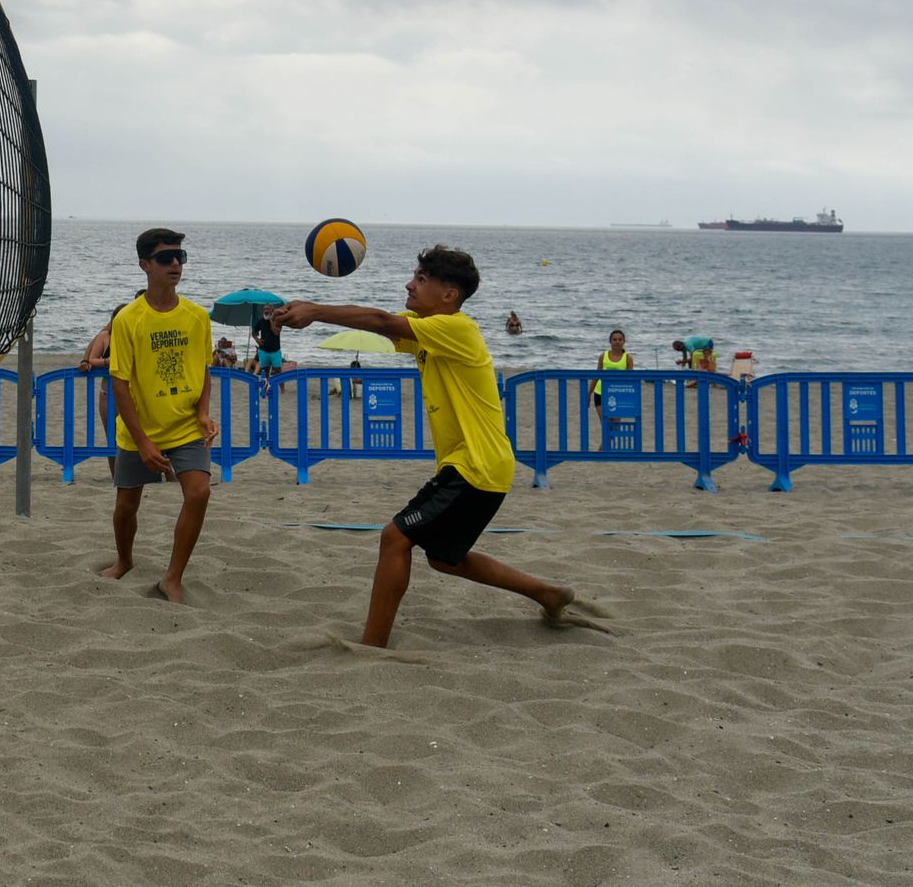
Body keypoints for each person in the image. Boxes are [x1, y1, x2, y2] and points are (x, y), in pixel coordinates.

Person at [274, 244, 597, 647]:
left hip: (475, 466)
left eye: (421, 280)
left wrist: (316, 309)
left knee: (394, 538)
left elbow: (379, 319)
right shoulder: (428, 330)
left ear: (449, 295)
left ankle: (372, 647)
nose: (409, 285)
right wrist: (298, 314)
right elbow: (382, 324)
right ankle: (547, 592)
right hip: (480, 466)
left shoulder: (457, 328)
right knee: (446, 559)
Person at [100, 227, 219, 603]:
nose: (175, 264)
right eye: (166, 258)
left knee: (198, 493)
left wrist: (203, 413)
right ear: (144, 265)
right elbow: (119, 384)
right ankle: (124, 560)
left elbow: (203, 370)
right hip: (140, 430)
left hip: (184, 426)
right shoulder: (129, 319)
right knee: (125, 506)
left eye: (179, 257)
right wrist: (143, 441)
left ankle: (173, 577)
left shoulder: (197, 316)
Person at [80, 306, 123, 476]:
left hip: (134, 392)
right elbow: (92, 355)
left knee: (139, 436)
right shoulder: (106, 335)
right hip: (109, 392)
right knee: (112, 437)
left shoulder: (135, 333)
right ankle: (116, 475)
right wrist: (105, 362)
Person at [589, 329, 634, 441]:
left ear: (624, 341)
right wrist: (589, 392)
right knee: (605, 423)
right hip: (601, 392)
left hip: (618, 393)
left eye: (620, 339)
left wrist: (629, 396)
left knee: (615, 426)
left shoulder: (628, 358)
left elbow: (630, 379)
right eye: (614, 339)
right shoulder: (603, 356)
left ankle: (602, 450)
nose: (617, 342)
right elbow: (597, 375)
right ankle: (603, 452)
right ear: (610, 341)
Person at [252, 304, 285, 383]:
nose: (266, 311)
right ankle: (266, 388)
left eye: (268, 309)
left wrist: (270, 320)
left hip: (275, 351)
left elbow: (276, 332)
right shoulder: (261, 321)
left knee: (278, 372)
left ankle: (282, 389)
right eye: (264, 309)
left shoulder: (278, 320)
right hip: (263, 350)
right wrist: (257, 339)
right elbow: (253, 332)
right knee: (265, 372)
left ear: (272, 310)